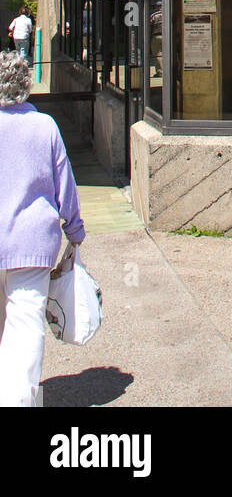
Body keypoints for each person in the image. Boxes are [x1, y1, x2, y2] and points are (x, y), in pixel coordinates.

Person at [0, 51, 85, 407]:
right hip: (31, 244)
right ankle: (17, 399)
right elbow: (64, 183)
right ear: (26, 87)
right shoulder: (45, 127)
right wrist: (75, 231)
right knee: (25, 321)